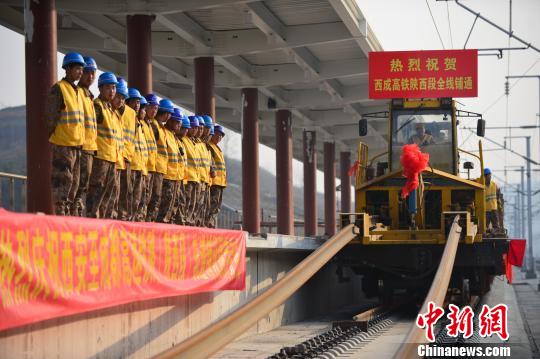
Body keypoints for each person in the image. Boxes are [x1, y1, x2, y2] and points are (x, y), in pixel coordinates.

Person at [48, 52, 86, 215]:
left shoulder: (77, 91)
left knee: (74, 183)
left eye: (81, 69)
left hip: (76, 145)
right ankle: (60, 215)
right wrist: (56, 138)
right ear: (68, 68)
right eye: (77, 68)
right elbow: (50, 117)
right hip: (63, 144)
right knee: (63, 182)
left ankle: (68, 216)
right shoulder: (59, 88)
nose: (80, 72)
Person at [86, 72, 121, 218]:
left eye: (113, 88)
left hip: (112, 158)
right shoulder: (98, 107)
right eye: (108, 88)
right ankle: (93, 223)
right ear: (100, 88)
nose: (112, 91)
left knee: (108, 196)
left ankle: (104, 226)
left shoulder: (111, 110)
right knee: (96, 194)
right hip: (100, 158)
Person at [69, 56, 97, 216]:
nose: (90, 76)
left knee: (83, 188)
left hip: (90, 149)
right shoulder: (77, 92)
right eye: (87, 72)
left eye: (93, 73)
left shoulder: (88, 96)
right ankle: (73, 219)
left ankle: (78, 217)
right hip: (81, 148)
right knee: (76, 186)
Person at [102, 77, 130, 219]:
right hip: (103, 159)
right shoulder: (100, 107)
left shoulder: (116, 116)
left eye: (123, 98)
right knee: (102, 200)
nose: (120, 101)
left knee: (113, 200)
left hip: (116, 161)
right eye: (118, 97)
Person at [146, 98, 174, 221]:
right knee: (154, 197)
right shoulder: (154, 126)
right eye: (168, 113)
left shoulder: (161, 128)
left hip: (161, 168)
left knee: (157, 198)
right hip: (155, 167)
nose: (169, 117)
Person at [157, 108, 183, 223]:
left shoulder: (174, 136)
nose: (179, 125)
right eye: (177, 122)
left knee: (172, 208)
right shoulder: (164, 132)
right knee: (163, 207)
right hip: (167, 176)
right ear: (170, 121)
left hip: (175, 177)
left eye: (180, 123)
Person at [126, 88, 147, 221]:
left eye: (139, 103)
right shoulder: (127, 117)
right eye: (135, 102)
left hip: (140, 167)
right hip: (130, 164)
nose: (138, 106)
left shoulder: (139, 124)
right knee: (128, 200)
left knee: (137, 201)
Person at [139, 94, 159, 220]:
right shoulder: (141, 123)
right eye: (151, 107)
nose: (154, 111)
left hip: (151, 168)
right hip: (143, 168)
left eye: (156, 108)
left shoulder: (150, 125)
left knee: (147, 200)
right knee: (140, 200)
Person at [182, 116, 202, 226]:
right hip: (188, 178)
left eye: (197, 128)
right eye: (193, 127)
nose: (195, 130)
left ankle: (189, 223)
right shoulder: (184, 141)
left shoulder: (193, 142)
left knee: (193, 205)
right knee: (186, 203)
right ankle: (185, 223)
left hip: (195, 178)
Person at [207, 124, 227, 228]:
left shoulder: (217, 148)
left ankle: (212, 224)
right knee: (212, 205)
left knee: (216, 207)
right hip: (214, 182)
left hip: (220, 182)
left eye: (221, 136)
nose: (219, 137)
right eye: (217, 134)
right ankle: (209, 224)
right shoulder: (210, 146)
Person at [172, 115, 190, 225]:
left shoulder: (181, 142)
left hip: (182, 177)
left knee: (182, 204)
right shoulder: (173, 137)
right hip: (171, 175)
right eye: (184, 128)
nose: (185, 131)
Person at [196, 115, 213, 226]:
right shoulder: (197, 143)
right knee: (196, 207)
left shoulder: (205, 146)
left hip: (205, 181)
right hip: (197, 180)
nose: (207, 131)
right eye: (205, 128)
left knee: (204, 209)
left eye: (207, 128)